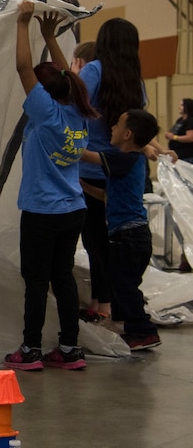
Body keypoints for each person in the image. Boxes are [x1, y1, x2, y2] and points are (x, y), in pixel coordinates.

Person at [3, 2, 96, 372]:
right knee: (63, 278)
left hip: (42, 212)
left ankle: (30, 350)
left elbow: (23, 67)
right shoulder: (79, 111)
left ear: (44, 92)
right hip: (73, 210)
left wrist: (23, 24)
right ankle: (70, 348)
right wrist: (49, 36)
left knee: (37, 281)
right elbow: (68, 77)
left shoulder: (46, 114)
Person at [82, 109, 174, 351]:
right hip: (132, 237)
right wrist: (80, 185)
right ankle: (130, 328)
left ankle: (144, 332)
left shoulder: (122, 158)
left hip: (129, 237)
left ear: (128, 134)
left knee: (125, 286)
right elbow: (105, 195)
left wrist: (61, 142)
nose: (111, 127)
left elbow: (85, 156)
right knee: (121, 284)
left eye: (117, 124)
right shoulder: (131, 161)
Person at [77, 18, 145, 324]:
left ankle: (101, 304)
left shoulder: (93, 71)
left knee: (94, 242)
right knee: (113, 243)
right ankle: (109, 303)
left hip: (90, 165)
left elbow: (73, 105)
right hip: (122, 168)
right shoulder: (136, 79)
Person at [164, 99, 193, 163]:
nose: (179, 107)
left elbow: (190, 137)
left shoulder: (190, 121)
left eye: (182, 105)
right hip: (177, 155)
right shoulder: (180, 120)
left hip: (187, 156)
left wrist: (174, 137)